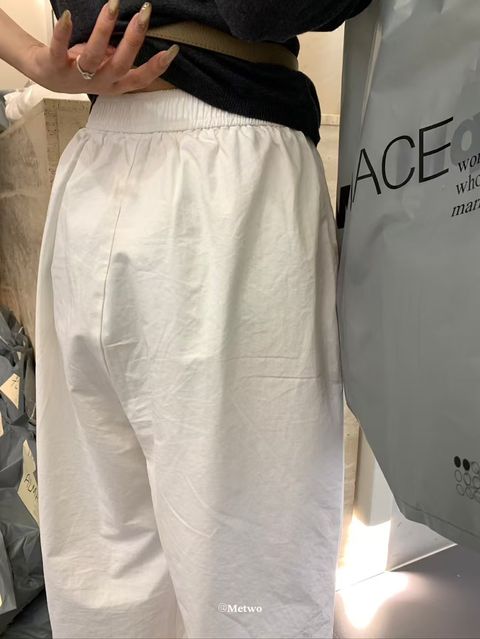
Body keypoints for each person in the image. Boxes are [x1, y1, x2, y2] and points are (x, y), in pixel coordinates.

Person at [0, 1, 371, 638]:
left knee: (105, 565)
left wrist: (33, 59)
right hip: (230, 186)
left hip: (96, 175)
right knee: (253, 585)